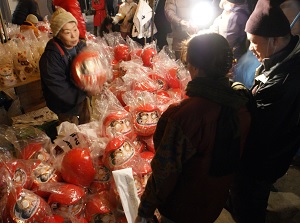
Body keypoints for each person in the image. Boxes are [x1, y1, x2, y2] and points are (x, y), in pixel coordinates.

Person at [135, 33, 251, 223]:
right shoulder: (241, 104)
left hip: (182, 209)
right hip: (214, 202)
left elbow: (164, 172)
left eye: (188, 63)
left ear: (195, 68)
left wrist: (145, 210)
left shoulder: (187, 116)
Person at [227, 0, 300, 222]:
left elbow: (258, 129)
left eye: (253, 42)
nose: (249, 48)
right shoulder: (280, 60)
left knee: (249, 206)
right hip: (269, 159)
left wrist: (234, 96)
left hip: (261, 162)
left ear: (275, 40)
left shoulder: (284, 80)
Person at [39, 8, 90, 125]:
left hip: (81, 98)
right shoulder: (50, 58)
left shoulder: (80, 46)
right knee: (72, 136)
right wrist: (85, 93)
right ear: (58, 35)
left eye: (75, 29)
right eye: (67, 32)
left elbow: (89, 67)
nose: (74, 36)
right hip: (64, 106)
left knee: (87, 127)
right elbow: (60, 90)